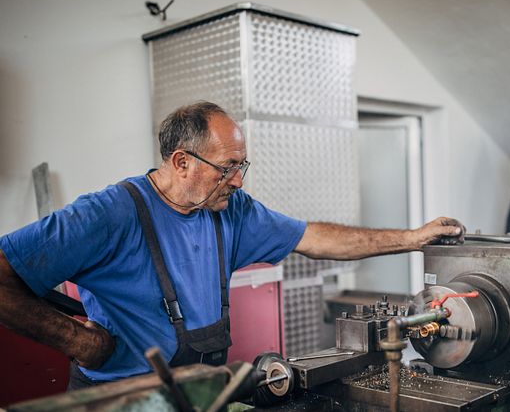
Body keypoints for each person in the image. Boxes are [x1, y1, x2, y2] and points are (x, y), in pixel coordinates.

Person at [0, 101, 465, 389]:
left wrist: (413, 238)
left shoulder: (233, 211)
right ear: (181, 161)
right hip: (120, 397)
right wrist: (75, 339)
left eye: (243, 165)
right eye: (227, 167)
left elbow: (315, 237)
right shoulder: (106, 215)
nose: (238, 180)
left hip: (201, 390)